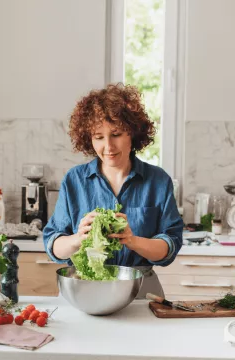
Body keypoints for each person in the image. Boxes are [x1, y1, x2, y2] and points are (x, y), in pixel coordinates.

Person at [43, 83, 183, 298]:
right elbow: (53, 246)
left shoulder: (158, 180)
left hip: (140, 291)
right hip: (85, 290)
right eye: (99, 137)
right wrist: (78, 238)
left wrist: (132, 240)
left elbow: (169, 247)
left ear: (133, 134)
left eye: (116, 134)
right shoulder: (75, 180)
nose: (108, 146)